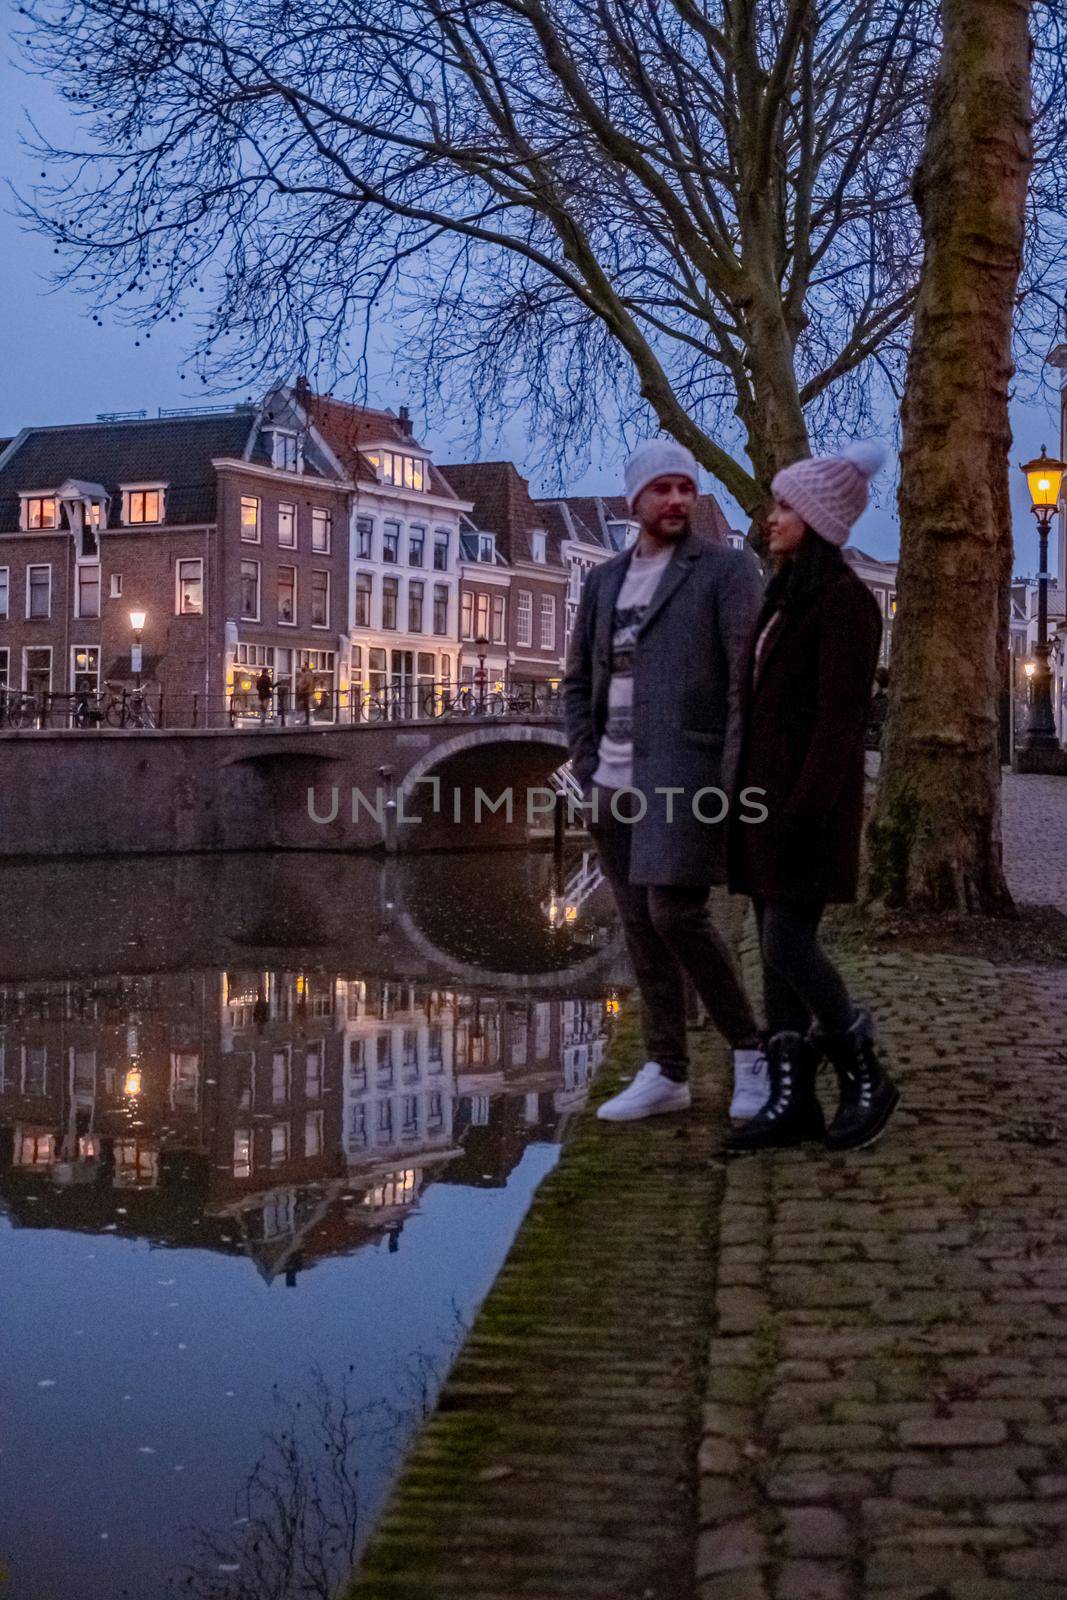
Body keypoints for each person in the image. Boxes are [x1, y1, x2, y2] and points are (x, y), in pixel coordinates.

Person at [564, 438, 765, 1122]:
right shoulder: (603, 582)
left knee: (674, 912)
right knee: (636, 925)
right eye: (662, 489)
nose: (676, 499)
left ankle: (749, 1051)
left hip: (687, 775)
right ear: (636, 501)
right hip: (612, 782)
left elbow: (746, 681)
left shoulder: (727, 571)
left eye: (685, 487)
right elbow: (578, 681)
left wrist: (734, 777)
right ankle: (666, 1069)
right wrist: (587, 764)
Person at [725, 442, 901, 1155]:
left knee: (787, 941)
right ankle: (791, 1096)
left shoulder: (845, 603)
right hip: (763, 807)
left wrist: (804, 808)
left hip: (803, 810)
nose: (771, 519)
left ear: (819, 518)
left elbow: (837, 717)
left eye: (784, 506)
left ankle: (864, 1072)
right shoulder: (783, 594)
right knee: (771, 952)